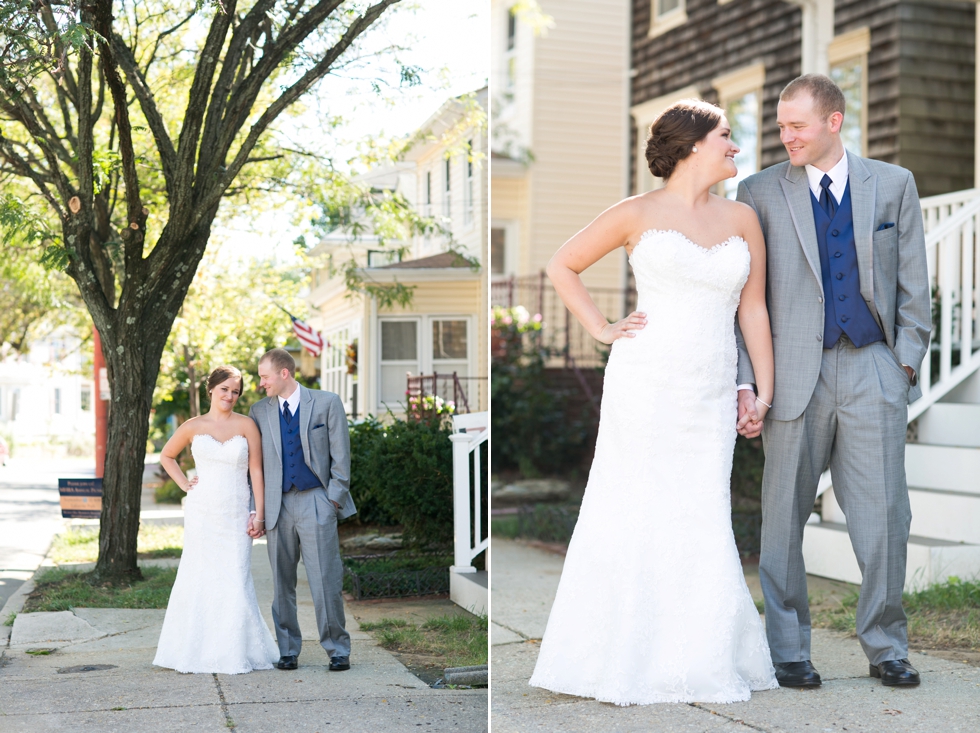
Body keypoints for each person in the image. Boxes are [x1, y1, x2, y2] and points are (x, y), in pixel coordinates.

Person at [528, 99, 779, 704]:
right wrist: (602, 327)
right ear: (693, 144)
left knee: (700, 509)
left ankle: (700, 652)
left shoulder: (743, 218)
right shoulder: (634, 212)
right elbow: (562, 265)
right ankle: (620, 654)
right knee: (634, 505)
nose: (735, 147)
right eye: (726, 135)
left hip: (710, 387)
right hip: (645, 383)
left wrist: (763, 389)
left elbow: (753, 308)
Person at [735, 74, 930, 688]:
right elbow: (747, 302)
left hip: (874, 365)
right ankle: (788, 647)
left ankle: (886, 645)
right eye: (780, 124)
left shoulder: (893, 184)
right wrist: (750, 383)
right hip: (792, 373)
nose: (784, 135)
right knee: (783, 515)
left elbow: (913, 287)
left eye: (797, 125)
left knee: (885, 515)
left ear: (834, 122)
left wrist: (902, 366)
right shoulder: (758, 191)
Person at [153, 365, 279, 674]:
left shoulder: (248, 425)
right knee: (199, 576)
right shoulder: (193, 425)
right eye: (225, 389)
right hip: (202, 513)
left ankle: (235, 651)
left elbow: (256, 472)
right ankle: (193, 649)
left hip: (235, 513)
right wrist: (184, 484)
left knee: (235, 577)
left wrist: (258, 514)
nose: (230, 396)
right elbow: (166, 456)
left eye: (235, 391)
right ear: (211, 389)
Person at [247, 348, 355, 672]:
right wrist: (259, 510)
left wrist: (331, 500)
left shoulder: (326, 403)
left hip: (316, 501)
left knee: (325, 580)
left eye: (264, 376)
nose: (260, 383)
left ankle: (337, 649)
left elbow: (342, 459)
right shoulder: (258, 411)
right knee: (281, 584)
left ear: (284, 373)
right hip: (277, 505)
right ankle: (288, 650)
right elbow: (255, 467)